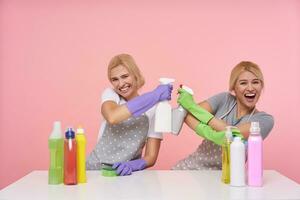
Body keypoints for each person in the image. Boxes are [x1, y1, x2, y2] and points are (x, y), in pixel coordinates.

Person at [173, 61, 274, 170]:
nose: (250, 88)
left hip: (228, 178)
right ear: (234, 88)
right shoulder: (224, 100)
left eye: (255, 82)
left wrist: (193, 107)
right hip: (191, 167)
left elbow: (234, 134)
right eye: (243, 83)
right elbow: (187, 115)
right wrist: (211, 133)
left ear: (261, 86)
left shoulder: (264, 120)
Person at [86, 54, 173, 176]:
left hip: (125, 174)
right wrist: (155, 95)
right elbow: (112, 117)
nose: (120, 84)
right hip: (94, 171)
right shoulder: (111, 95)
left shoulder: (153, 110)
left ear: (135, 75)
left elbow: (151, 156)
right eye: (114, 79)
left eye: (125, 76)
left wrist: (133, 165)